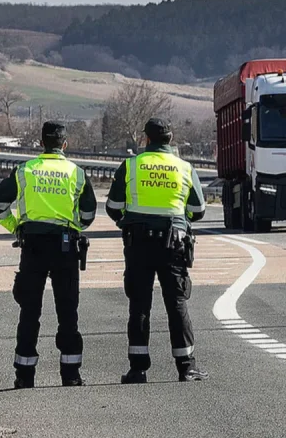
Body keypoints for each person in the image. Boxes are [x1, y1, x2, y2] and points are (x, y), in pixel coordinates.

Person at [0, 122, 97, 389]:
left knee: (29, 311)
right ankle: (71, 375)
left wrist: (17, 228)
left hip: (33, 246)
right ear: (64, 144)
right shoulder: (77, 173)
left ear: (41, 144)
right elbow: (88, 215)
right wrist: (73, 228)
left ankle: (25, 376)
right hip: (65, 247)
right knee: (68, 312)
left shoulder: (25, 171)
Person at [106, 118, 209, 384]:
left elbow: (113, 206)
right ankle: (186, 367)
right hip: (173, 243)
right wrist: (178, 219)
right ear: (170, 139)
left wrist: (127, 221)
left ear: (146, 139)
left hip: (138, 242)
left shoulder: (130, 166)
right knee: (176, 303)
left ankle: (138, 369)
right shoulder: (184, 168)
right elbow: (198, 211)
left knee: (139, 304)